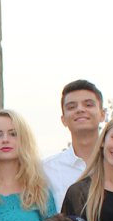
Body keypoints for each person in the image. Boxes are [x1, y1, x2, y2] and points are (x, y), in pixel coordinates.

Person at [41, 79, 104, 208]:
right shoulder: (46, 170)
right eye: (71, 107)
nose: (80, 109)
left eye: (88, 105)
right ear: (63, 119)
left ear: (102, 115)